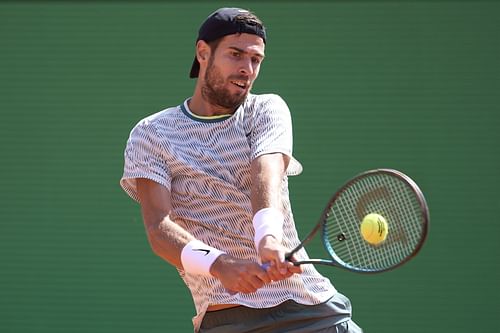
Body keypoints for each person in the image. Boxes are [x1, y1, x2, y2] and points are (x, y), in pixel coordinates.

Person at [120, 7, 363, 333]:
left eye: (255, 59)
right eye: (235, 55)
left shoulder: (266, 109)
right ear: (203, 53)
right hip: (228, 320)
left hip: (312, 312)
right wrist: (221, 266)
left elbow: (266, 171)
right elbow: (158, 229)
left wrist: (268, 238)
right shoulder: (151, 134)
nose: (246, 68)